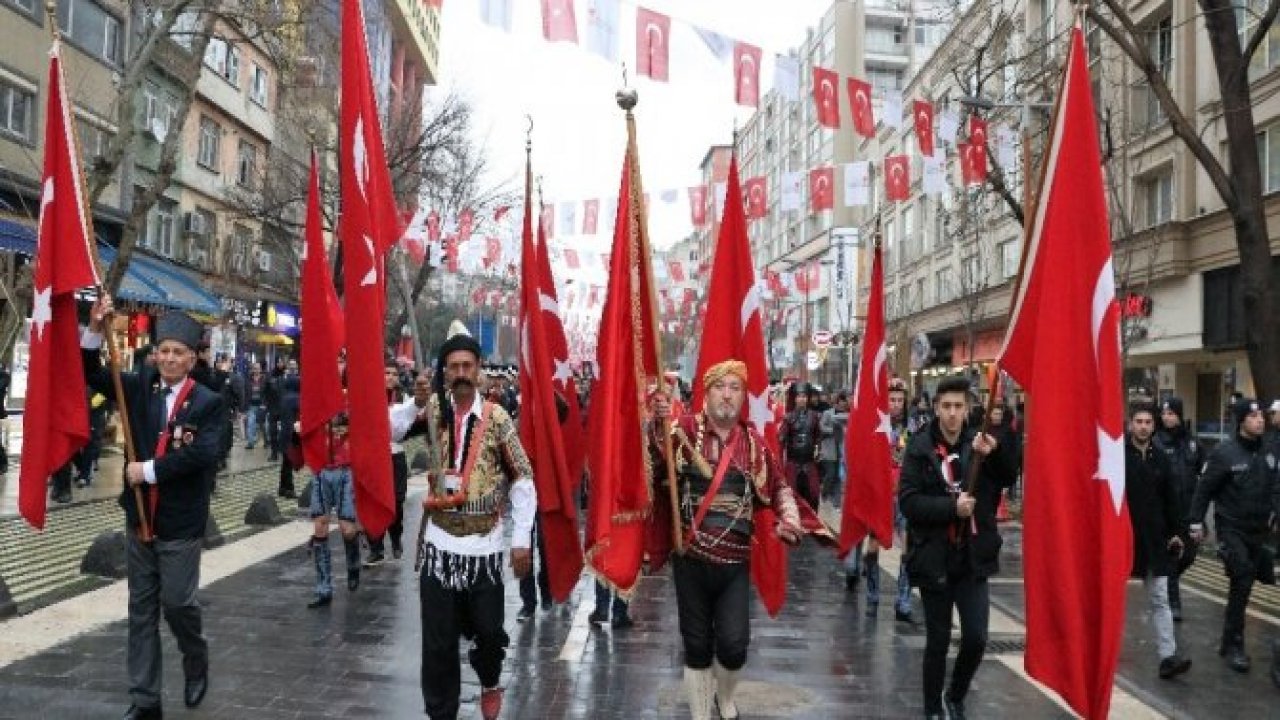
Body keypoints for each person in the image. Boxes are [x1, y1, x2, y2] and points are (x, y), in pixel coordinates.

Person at [82, 297, 225, 720]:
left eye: (178, 352)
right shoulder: (140, 385)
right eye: (163, 350)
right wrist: (94, 328)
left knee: (178, 604)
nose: (169, 358)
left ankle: (194, 656)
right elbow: (90, 373)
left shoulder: (208, 402)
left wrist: (147, 470)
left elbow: (203, 454)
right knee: (141, 611)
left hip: (181, 522)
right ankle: (145, 699)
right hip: (139, 518)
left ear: (192, 357)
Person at [655, 360, 805, 720]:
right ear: (706, 393)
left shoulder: (753, 443)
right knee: (696, 645)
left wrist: (790, 517)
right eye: (720, 386)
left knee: (735, 646)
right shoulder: (681, 432)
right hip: (690, 558)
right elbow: (650, 468)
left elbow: (779, 487)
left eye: (735, 388)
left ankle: (725, 696)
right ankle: (700, 713)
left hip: (735, 563)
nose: (727, 394)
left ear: (743, 396)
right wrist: (653, 424)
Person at [418, 323, 535, 720]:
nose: (462, 373)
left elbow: (522, 478)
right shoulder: (432, 409)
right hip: (439, 547)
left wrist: (521, 540)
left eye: (468, 365)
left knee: (489, 635)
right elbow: (391, 428)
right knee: (437, 645)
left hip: (484, 548)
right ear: (445, 372)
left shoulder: (498, 418)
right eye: (454, 367)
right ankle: (441, 713)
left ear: (479, 369)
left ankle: (489, 678)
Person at [899, 376, 1016, 720]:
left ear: (967, 410)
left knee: (977, 637)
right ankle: (932, 709)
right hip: (934, 556)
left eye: (958, 407)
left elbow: (1009, 475)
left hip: (972, 557)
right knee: (937, 640)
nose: (952, 414)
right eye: (946, 407)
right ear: (936, 408)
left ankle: (956, 693)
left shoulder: (977, 443)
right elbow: (909, 502)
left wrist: (994, 453)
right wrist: (951, 508)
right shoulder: (920, 448)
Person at [1188, 398, 1280, 673]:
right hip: (1231, 528)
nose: (1260, 421)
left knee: (1247, 584)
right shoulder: (1224, 453)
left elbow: (1276, 487)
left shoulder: (1270, 451)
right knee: (1241, 576)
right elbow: (1204, 489)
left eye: (1262, 416)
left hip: (1259, 530)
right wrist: (1195, 522)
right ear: (1241, 422)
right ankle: (1235, 645)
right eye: (1253, 417)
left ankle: (1228, 640)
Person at [1124, 404, 1192, 679]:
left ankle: (1168, 656)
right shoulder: (1118, 456)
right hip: (1125, 539)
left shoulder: (1161, 458)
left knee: (1160, 599)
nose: (1143, 426)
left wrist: (1178, 531)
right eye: (1138, 421)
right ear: (1131, 425)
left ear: (1154, 426)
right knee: (1110, 598)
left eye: (1147, 422)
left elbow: (1171, 498)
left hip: (1154, 540)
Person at [366, 360, 425, 565]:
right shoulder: (370, 398)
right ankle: (376, 547)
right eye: (385, 373)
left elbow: (412, 415)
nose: (389, 377)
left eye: (393, 373)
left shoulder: (404, 400)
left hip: (395, 455)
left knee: (397, 501)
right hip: (375, 457)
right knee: (375, 502)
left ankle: (396, 537)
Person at [305, 407, 362, 608]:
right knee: (320, 527)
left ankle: (353, 565)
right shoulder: (318, 395)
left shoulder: (351, 397)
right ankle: (323, 588)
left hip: (346, 469)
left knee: (347, 529)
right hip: (321, 470)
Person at [1154, 396, 1204, 621]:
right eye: (1164, 413)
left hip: (1190, 509)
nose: (1167, 417)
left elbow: (1205, 472)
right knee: (1172, 556)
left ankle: (1167, 582)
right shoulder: (1156, 442)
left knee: (1189, 555)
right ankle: (1173, 603)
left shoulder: (1192, 443)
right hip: (1167, 511)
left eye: (1171, 413)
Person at [779, 382, 823, 510]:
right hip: (793, 463)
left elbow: (818, 436)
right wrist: (781, 465)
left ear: (807, 398)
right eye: (799, 396)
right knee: (792, 497)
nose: (801, 399)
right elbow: (781, 441)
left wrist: (818, 450)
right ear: (795, 398)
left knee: (813, 495)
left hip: (809, 462)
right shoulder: (788, 417)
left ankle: (812, 525)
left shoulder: (814, 417)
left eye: (804, 396)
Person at [818, 391, 848, 505]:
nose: (842, 404)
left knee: (838, 476)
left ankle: (835, 501)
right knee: (830, 474)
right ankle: (824, 494)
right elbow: (821, 426)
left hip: (841, 450)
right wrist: (833, 431)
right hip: (828, 449)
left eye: (844, 402)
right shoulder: (827, 413)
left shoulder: (847, 415)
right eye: (840, 402)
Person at [277, 360, 301, 499]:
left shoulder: (285, 398)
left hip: (284, 434)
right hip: (292, 435)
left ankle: (282, 487)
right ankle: (289, 488)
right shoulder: (297, 399)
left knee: (285, 462)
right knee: (289, 462)